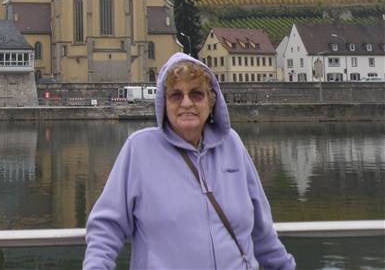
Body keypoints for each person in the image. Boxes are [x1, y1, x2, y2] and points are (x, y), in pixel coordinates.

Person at [83, 52, 295, 269]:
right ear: (163, 103)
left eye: (196, 94)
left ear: (211, 101)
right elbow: (106, 229)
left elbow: (263, 234)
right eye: (175, 95)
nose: (186, 103)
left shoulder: (232, 145)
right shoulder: (140, 149)